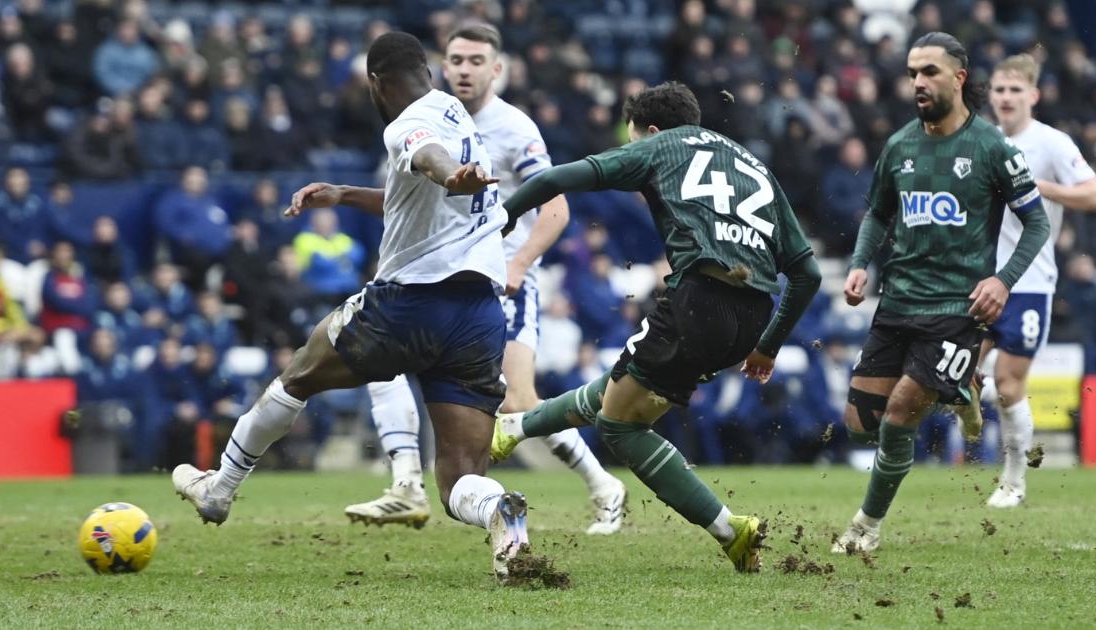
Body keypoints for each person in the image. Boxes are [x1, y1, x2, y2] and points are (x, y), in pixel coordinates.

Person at [173, 31, 532, 581]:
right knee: (460, 475)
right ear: (430, 72)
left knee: (298, 375)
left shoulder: (405, 123)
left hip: (412, 302)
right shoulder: (460, 117)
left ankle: (219, 488)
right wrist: (344, 193)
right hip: (480, 313)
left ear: (374, 83)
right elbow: (419, 192)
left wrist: (447, 174)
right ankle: (499, 515)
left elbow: (424, 156)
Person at [490, 81, 822, 572]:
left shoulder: (660, 146)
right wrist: (768, 347)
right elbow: (808, 273)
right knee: (624, 386)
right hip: (751, 318)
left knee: (619, 424)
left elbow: (557, 177)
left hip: (700, 300)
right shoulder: (753, 164)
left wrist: (504, 215)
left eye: (632, 139)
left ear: (649, 130)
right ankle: (515, 427)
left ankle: (731, 529)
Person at [328, 24, 627, 534]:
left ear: (497, 69)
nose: (464, 69)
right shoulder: (427, 119)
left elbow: (555, 209)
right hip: (439, 281)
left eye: (476, 60)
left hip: (501, 279)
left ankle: (603, 485)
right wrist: (341, 193)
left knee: (519, 400)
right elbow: (403, 204)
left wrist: (518, 265)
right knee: (383, 366)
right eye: (456, 59)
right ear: (439, 67)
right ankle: (405, 485)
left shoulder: (513, 127)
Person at [831, 33, 1050, 554]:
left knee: (903, 410)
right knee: (861, 425)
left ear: (959, 77)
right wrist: (861, 263)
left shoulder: (992, 148)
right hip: (899, 303)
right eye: (911, 73)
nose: (917, 83)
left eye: (929, 71)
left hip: (957, 307)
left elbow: (1037, 225)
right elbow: (879, 214)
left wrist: (1002, 280)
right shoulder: (901, 144)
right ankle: (960, 386)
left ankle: (866, 526)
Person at [961, 54, 1096, 508]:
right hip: (979, 280)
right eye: (999, 90)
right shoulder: (977, 139)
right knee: (955, 374)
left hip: (1029, 281)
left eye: (1014, 90)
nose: (1005, 98)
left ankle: (1013, 481)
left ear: (1033, 96)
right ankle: (963, 405)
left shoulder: (1052, 143)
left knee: (1008, 384)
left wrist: (1039, 188)